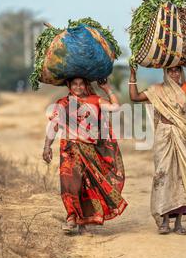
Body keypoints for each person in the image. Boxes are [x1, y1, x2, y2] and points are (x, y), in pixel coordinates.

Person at [129, 49, 186, 235]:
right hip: (164, 137)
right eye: (171, 71)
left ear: (181, 72)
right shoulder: (156, 90)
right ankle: (163, 221)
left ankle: (178, 223)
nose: (175, 73)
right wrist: (133, 74)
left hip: (183, 137)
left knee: (181, 178)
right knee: (163, 175)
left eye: (177, 70)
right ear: (165, 72)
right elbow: (135, 97)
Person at [42, 77, 127, 234]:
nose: (78, 87)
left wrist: (107, 89)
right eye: (74, 84)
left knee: (86, 186)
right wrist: (47, 146)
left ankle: (83, 222)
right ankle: (71, 217)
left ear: (86, 85)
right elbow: (53, 125)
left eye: (81, 84)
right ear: (69, 85)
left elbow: (115, 107)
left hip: (89, 151)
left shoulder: (95, 100)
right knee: (70, 183)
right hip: (69, 149)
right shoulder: (63, 104)